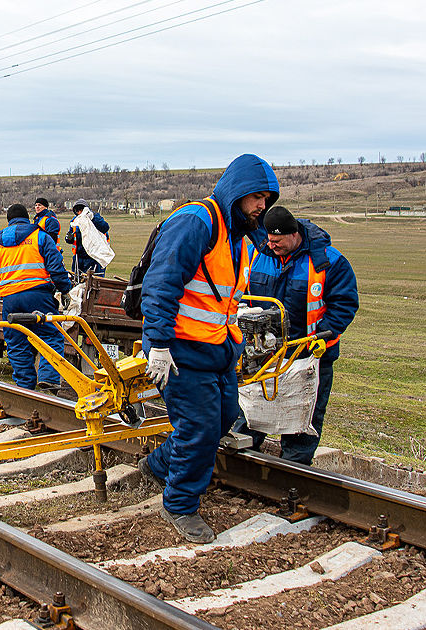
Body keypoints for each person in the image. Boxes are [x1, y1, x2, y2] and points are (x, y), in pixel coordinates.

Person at [137, 153, 278, 544]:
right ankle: (180, 504)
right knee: (198, 427)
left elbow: (221, 298)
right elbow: (161, 284)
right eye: (256, 197)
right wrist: (160, 345)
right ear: (236, 193)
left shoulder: (237, 236)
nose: (261, 206)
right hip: (182, 350)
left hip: (217, 351)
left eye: (266, 198)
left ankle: (159, 465)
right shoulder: (197, 222)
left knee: (222, 419)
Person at [234, 206, 358, 464]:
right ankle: (239, 463)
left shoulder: (328, 262)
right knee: (250, 411)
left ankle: (294, 471)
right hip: (263, 355)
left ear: (293, 235)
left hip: (308, 356)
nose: (271, 244)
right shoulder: (258, 255)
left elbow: (345, 303)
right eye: (268, 239)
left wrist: (327, 332)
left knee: (301, 420)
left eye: (277, 241)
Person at [0, 203, 72, 390]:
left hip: (11, 301)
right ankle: (48, 377)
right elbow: (56, 267)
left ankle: (25, 387)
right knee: (51, 335)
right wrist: (65, 289)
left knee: (16, 342)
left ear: (8, 221)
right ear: (27, 218)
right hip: (39, 296)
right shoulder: (40, 237)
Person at [64, 198, 110, 277]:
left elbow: (105, 227)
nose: (80, 212)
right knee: (76, 281)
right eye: (77, 210)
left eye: (81, 209)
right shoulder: (75, 221)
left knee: (94, 281)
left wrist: (93, 219)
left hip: (94, 257)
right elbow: (71, 239)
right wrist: (69, 238)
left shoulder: (94, 217)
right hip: (78, 257)